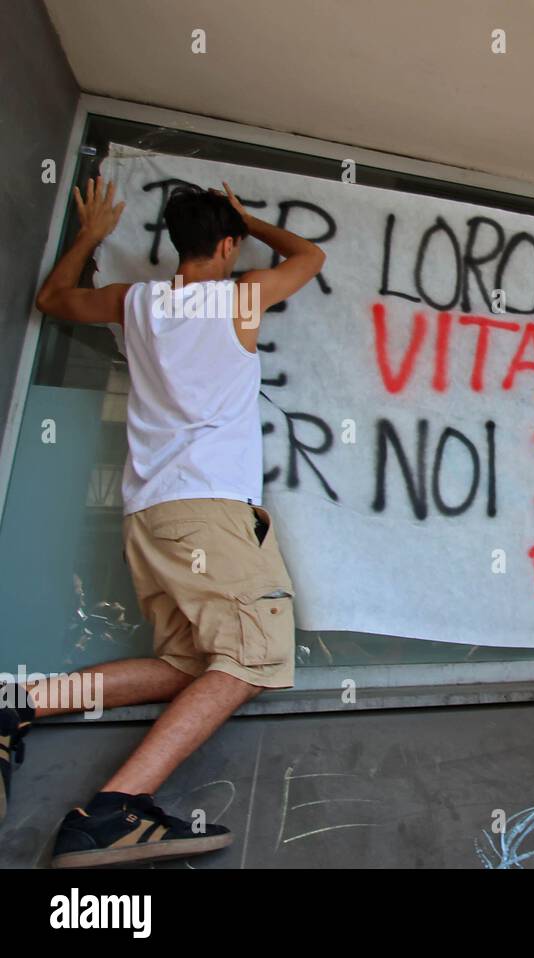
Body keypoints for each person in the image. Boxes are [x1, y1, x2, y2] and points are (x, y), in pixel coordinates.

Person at [0, 178, 324, 867]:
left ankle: (18, 703)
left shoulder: (136, 300)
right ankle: (113, 811)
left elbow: (52, 301)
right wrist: (252, 220)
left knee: (186, 665)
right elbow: (311, 257)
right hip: (209, 513)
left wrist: (88, 235)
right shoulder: (240, 296)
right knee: (253, 659)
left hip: (150, 513)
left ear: (178, 244)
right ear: (229, 245)